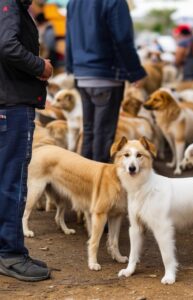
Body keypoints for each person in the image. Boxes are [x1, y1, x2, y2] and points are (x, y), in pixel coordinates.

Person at [0, 0, 52, 281]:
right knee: (12, 183)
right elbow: (7, 46)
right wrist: (40, 66)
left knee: (6, 181)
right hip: (11, 106)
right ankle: (10, 254)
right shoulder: (8, 3)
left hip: (7, 103)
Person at [66, 0, 146, 163]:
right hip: (106, 74)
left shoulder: (73, 2)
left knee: (89, 131)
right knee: (103, 133)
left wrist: (71, 67)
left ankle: (84, 181)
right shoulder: (114, 2)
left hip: (83, 74)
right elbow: (123, 38)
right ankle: (98, 182)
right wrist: (135, 72)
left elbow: (70, 37)